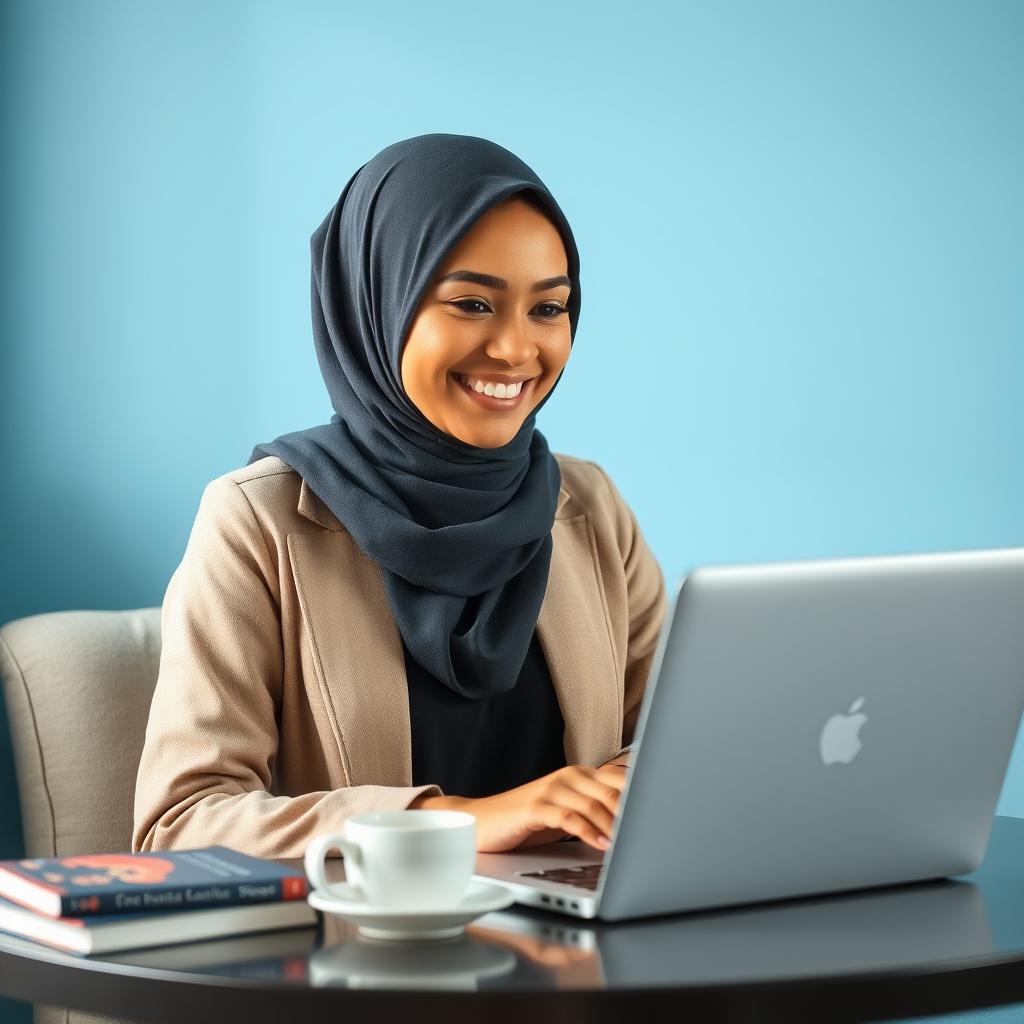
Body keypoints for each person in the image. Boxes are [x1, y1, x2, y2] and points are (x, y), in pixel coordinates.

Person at [132, 134, 669, 860]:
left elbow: (673, 747)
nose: (516, 350)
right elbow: (183, 822)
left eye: (549, 309)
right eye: (473, 303)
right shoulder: (258, 522)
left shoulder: (589, 507)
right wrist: (463, 821)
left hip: (574, 948)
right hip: (357, 955)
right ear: (376, 302)